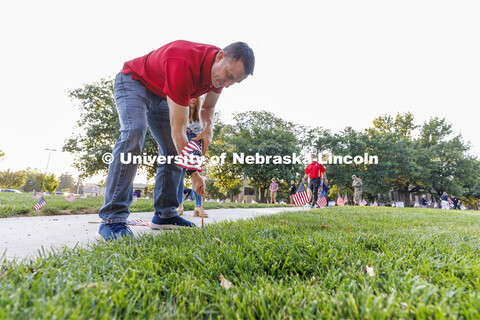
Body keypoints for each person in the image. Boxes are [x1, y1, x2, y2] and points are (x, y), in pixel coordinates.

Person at [97, 40, 255, 240]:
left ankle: (165, 214)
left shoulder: (220, 75)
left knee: (172, 150)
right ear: (221, 57)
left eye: (235, 82)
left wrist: (208, 129)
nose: (228, 84)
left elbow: (208, 108)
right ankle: (112, 219)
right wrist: (194, 174)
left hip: (162, 93)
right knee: (134, 131)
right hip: (133, 82)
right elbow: (178, 132)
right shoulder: (183, 63)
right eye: (229, 76)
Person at [176, 97, 208, 218]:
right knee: (180, 172)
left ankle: (198, 207)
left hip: (196, 141)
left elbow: (207, 129)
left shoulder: (202, 114)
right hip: (183, 139)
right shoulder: (180, 110)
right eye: (190, 97)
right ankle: (179, 204)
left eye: (196, 97)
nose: (193, 99)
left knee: (197, 173)